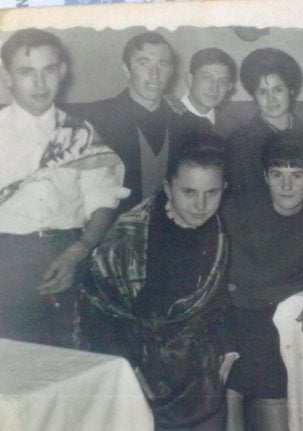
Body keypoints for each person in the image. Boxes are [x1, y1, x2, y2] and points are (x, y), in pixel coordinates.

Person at [76, 135, 237, 431]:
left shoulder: (217, 228)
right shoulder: (130, 235)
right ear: (167, 187)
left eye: (211, 193)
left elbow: (217, 300)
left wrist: (228, 348)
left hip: (201, 375)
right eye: (189, 192)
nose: (200, 205)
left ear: (223, 189)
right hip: (142, 374)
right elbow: (98, 309)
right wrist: (130, 368)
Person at [0, 28, 128, 346]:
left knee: (70, 360)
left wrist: (77, 251)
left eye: (49, 70)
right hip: (6, 264)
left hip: (69, 257)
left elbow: (102, 198)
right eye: (26, 71)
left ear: (63, 71)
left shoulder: (80, 133)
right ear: (6, 75)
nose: (40, 83)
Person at [223, 130, 303, 431]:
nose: (286, 186)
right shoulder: (236, 209)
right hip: (234, 312)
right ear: (265, 177)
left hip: (280, 315)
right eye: (277, 175)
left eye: (297, 175)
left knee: (270, 360)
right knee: (245, 379)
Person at [76, 31, 211, 214]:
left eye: (162, 65)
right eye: (144, 63)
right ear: (125, 69)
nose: (154, 74)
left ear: (171, 70)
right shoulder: (92, 121)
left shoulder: (193, 126)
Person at [227, 47, 303, 195]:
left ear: (291, 90)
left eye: (278, 90)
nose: (271, 99)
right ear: (254, 96)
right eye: (262, 91)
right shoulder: (240, 142)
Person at [179, 48, 237, 135]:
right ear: (189, 79)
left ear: (229, 87)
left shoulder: (232, 128)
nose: (214, 88)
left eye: (222, 81)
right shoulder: (166, 116)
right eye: (207, 78)